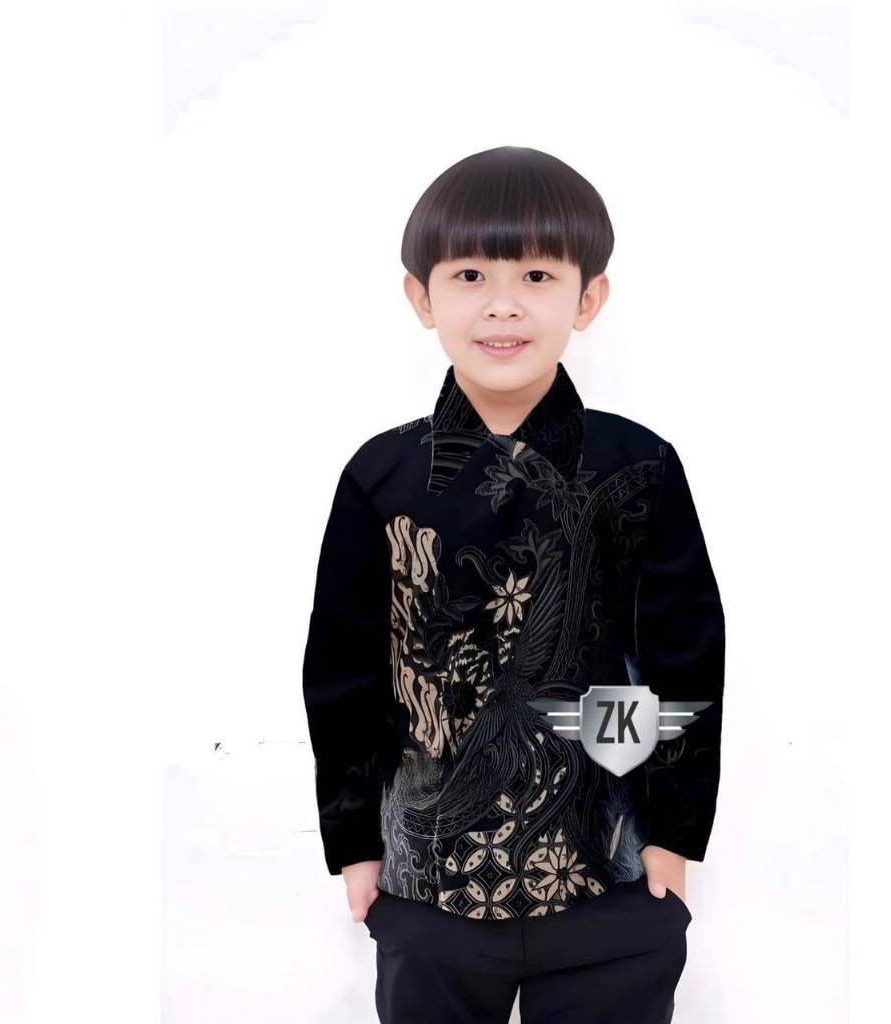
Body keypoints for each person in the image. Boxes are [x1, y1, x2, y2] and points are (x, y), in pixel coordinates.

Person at [302, 145, 726, 1024]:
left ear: (588, 297)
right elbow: (344, 673)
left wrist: (671, 833)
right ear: (422, 297)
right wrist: (354, 842)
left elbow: (678, 653)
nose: (503, 304)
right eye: (469, 275)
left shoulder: (636, 466)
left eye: (537, 275)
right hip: (429, 889)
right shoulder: (381, 477)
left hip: (609, 881)